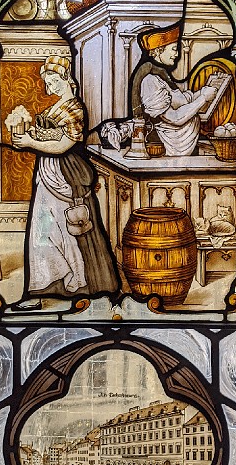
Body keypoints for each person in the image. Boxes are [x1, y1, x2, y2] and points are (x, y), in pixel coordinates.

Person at [11, 55, 119, 307]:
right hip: (46, 174)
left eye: (54, 80)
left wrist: (30, 142)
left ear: (66, 78)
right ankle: (42, 289)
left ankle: (83, 286)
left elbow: (63, 145)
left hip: (67, 175)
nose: (50, 86)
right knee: (42, 232)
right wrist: (27, 135)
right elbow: (47, 137)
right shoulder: (55, 107)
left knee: (73, 229)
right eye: (48, 82)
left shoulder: (74, 108)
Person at [130, 23, 217, 157]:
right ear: (158, 51)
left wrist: (201, 93)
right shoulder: (150, 81)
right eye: (174, 49)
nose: (177, 54)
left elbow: (181, 101)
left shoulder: (162, 76)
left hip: (184, 143)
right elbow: (174, 118)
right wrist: (203, 98)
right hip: (170, 145)